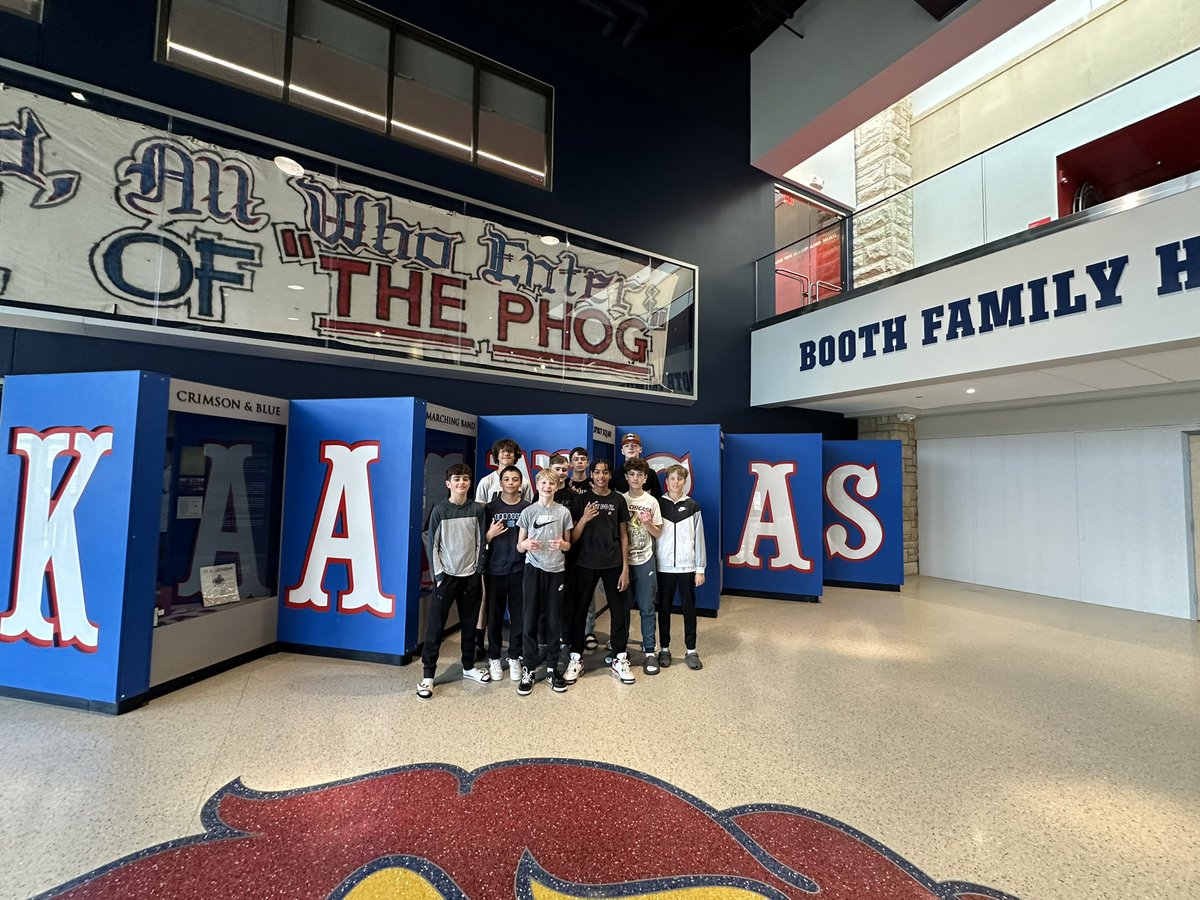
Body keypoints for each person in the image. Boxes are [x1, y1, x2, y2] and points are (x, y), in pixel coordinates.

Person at [418, 463, 491, 700]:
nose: (462, 482)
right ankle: (428, 676)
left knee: (469, 624)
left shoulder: (478, 509)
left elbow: (481, 541)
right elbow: (433, 546)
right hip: (446, 578)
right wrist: (439, 575)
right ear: (448, 483)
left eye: (466, 479)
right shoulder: (439, 510)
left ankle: (468, 667)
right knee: (435, 627)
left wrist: (478, 570)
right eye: (457, 479)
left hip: (471, 577)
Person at [566, 459, 633, 685]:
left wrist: (625, 568)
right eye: (597, 472)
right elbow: (573, 538)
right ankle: (576, 657)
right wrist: (584, 518)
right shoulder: (581, 500)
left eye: (605, 472)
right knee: (579, 611)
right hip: (585, 563)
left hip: (613, 563)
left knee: (619, 611)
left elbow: (624, 535)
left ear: (610, 475)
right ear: (591, 475)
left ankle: (619, 658)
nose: (601, 476)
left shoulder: (618, 499)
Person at [515, 469, 574, 695]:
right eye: (544, 483)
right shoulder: (528, 512)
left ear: (557, 486)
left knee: (553, 621)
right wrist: (526, 545)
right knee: (529, 618)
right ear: (537, 485)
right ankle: (529, 668)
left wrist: (562, 545)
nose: (547, 487)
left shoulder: (564, 512)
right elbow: (519, 546)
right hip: (533, 569)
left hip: (556, 570)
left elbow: (568, 545)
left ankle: (551, 668)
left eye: (552, 483)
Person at [655, 464, 707, 671]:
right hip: (664, 567)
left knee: (689, 609)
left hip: (687, 568)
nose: (675, 482)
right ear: (666, 482)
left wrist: (700, 568)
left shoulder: (693, 506)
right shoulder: (658, 504)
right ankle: (665, 648)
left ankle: (691, 650)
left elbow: (700, 538)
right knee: (664, 609)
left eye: (679, 479)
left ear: (685, 481)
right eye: (672, 479)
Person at [484, 465, 530, 682]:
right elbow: (480, 539)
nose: (511, 483)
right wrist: (489, 535)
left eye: (515, 479)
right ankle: (493, 656)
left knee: (518, 616)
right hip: (494, 570)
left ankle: (514, 656)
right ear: (500, 483)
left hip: (519, 569)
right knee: (493, 616)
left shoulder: (527, 508)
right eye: (507, 479)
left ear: (520, 483)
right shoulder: (489, 508)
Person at [620, 457, 663, 675]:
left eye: (640, 475)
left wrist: (647, 523)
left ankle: (649, 651)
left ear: (645, 478)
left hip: (645, 559)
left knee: (647, 607)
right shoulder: (621, 500)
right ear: (626, 477)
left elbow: (658, 533)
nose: (636, 478)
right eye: (632, 474)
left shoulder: (652, 501)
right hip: (624, 562)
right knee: (623, 607)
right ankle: (622, 650)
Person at [475, 438, 533, 504]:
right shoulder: (486, 481)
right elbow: (480, 508)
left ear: (515, 456)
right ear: (497, 455)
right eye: (502, 451)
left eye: (510, 451)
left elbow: (527, 508)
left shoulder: (524, 482)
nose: (506, 454)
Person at [611, 432, 663, 498]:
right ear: (622, 451)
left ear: (640, 449)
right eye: (626, 446)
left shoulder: (650, 473)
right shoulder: (615, 474)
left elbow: (657, 498)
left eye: (635, 445)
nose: (630, 448)